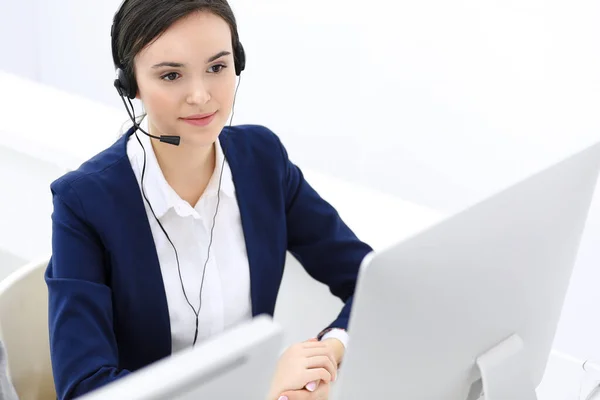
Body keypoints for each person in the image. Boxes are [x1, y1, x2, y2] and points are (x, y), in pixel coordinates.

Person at [45, 1, 372, 399]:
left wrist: (326, 356)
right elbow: (85, 391)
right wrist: (255, 387)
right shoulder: (84, 203)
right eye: (171, 75)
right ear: (131, 85)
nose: (200, 96)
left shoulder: (262, 161)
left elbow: (369, 281)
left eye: (217, 67)